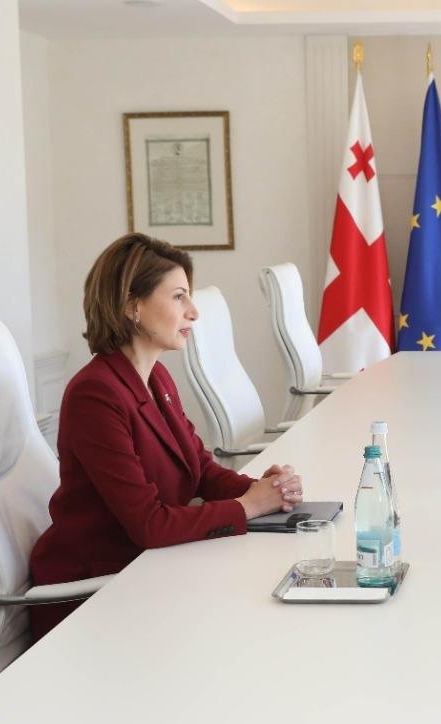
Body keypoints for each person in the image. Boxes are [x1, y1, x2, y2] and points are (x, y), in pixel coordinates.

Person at [29, 233, 302, 640]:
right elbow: (149, 524)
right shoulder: (95, 394)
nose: (194, 311)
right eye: (178, 297)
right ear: (131, 306)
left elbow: (201, 471)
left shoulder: (156, 377)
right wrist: (248, 506)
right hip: (97, 592)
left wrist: (264, 489)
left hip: (152, 569)